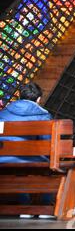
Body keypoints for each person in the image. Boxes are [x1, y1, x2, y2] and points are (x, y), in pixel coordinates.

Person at [0, 82, 53, 219]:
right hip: (31, 158)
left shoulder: (4, 113)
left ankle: (24, 204)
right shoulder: (43, 115)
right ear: (38, 99)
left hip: (3, 158)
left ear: (19, 96)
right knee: (50, 166)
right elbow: (46, 143)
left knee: (18, 170)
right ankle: (44, 207)